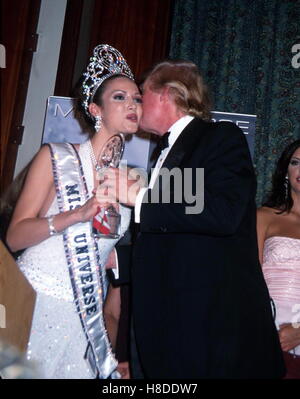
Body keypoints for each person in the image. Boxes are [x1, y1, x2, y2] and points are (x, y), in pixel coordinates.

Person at [98, 59, 285, 378]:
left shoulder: (218, 138)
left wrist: (139, 198)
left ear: (166, 95)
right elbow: (179, 232)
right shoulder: (163, 154)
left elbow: (222, 214)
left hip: (212, 335)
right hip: (169, 333)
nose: (138, 104)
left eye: (142, 94)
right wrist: (118, 257)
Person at [5, 44, 142, 379]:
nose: (133, 105)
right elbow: (16, 234)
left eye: (137, 98)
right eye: (120, 97)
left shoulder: (133, 180)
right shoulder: (55, 157)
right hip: (36, 298)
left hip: (83, 315)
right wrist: (75, 215)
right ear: (95, 108)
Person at [257, 139, 300, 379]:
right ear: (286, 171)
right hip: (264, 338)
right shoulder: (264, 217)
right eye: (296, 163)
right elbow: (245, 280)